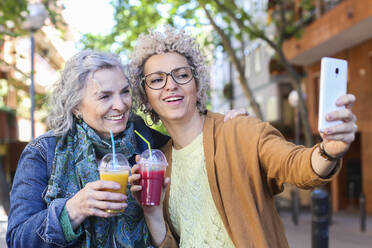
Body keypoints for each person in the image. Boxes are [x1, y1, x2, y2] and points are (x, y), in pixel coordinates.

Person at [128, 26, 358, 248]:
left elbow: (296, 164)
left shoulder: (238, 129)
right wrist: (152, 213)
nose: (171, 85)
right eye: (157, 80)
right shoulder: (159, 163)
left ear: (197, 87)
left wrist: (328, 150)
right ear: (146, 97)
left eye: (181, 75)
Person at [6, 49, 246, 248]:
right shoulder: (44, 152)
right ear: (76, 107)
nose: (120, 105)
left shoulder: (150, 144)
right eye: (104, 97)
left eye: (124, 92)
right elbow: (17, 239)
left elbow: (195, 141)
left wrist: (228, 127)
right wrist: (74, 208)